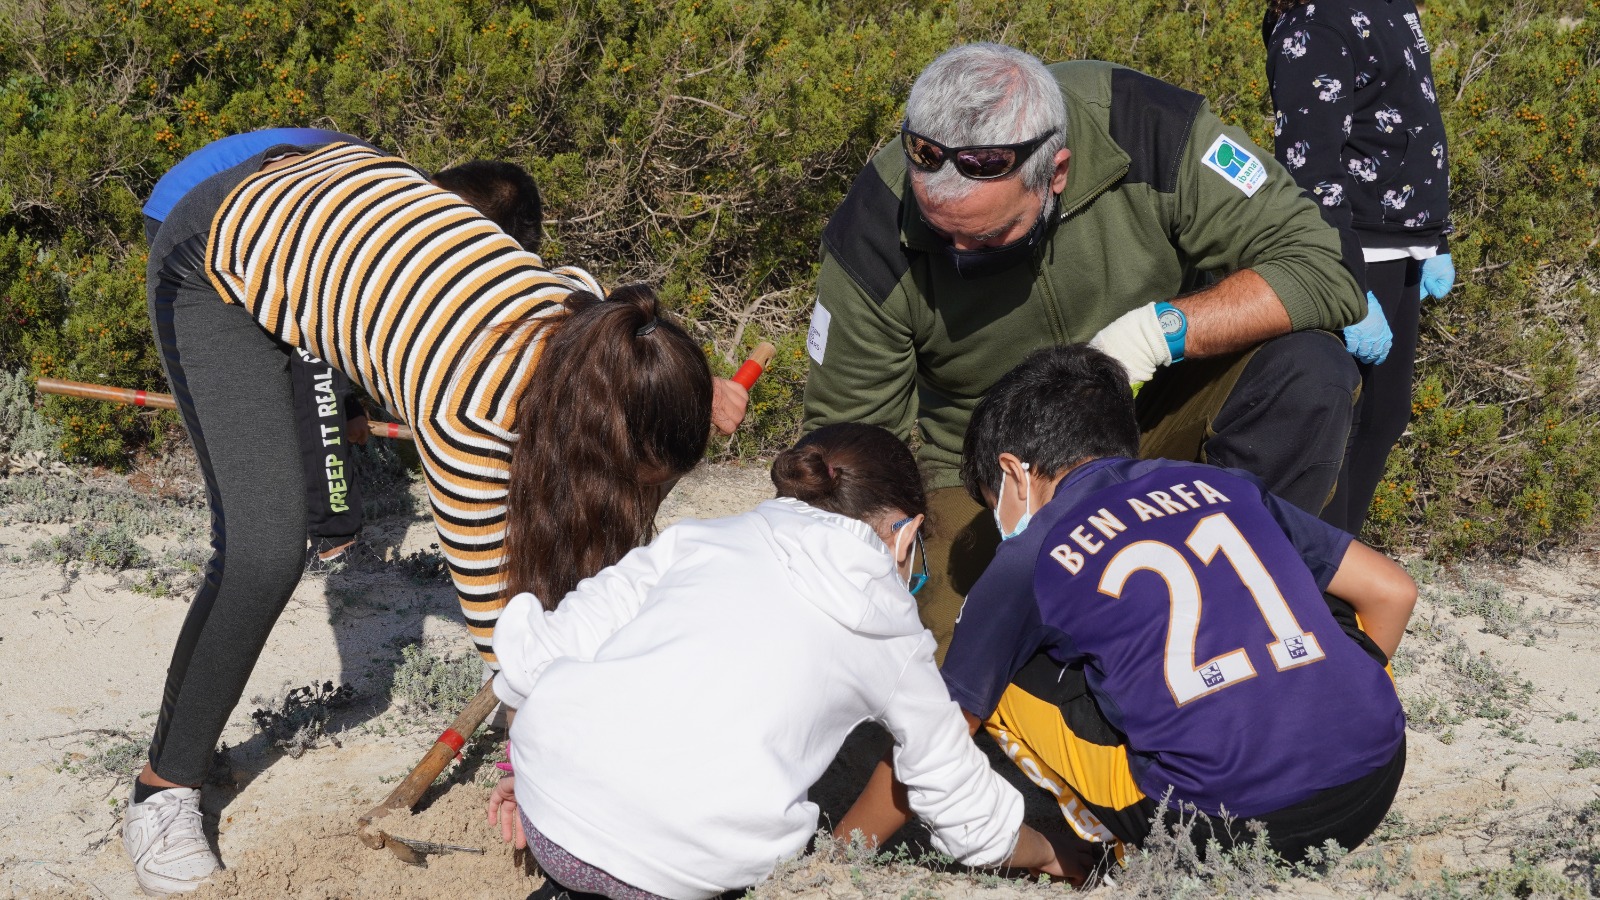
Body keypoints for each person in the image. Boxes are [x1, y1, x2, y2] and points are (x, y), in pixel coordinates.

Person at [125, 138, 731, 894]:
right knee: (267, 548)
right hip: (223, 244)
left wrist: (695, 398)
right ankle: (164, 787)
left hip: (348, 190)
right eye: (641, 483)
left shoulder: (596, 323)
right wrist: (537, 775)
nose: (644, 505)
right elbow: (508, 642)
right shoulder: (470, 416)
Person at [802, 42, 1370, 661]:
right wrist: (882, 551)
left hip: (1150, 419)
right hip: (983, 472)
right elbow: (845, 439)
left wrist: (1149, 337)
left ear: (1059, 173)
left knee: (1308, 369)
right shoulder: (874, 228)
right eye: (942, 235)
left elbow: (1323, 267)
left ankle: (1246, 607)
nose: (959, 254)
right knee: (942, 659)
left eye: (988, 236)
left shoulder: (1146, 126)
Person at [838, 344, 1415, 862]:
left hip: (1217, 825)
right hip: (1375, 775)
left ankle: (1099, 851)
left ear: (1014, 472)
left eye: (994, 502)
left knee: (992, 679)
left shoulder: (1029, 554)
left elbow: (936, 731)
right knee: (1317, 599)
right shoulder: (1227, 487)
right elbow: (1392, 591)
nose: (1000, 521)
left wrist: (841, 853)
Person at [486, 423, 1072, 898]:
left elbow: (545, 645)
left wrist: (523, 765)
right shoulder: (890, 626)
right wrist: (1046, 853)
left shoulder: (701, 536)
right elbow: (955, 797)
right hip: (682, 869)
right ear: (907, 531)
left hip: (549, 810)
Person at [143, 130, 557, 563]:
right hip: (188, 212)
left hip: (239, 194)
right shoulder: (390, 210)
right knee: (299, 363)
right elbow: (319, 341)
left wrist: (352, 406)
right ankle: (328, 537)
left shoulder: (399, 197)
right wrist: (344, 405)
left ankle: (295, 520)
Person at [1264, 0, 1453, 533]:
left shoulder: (1394, 9)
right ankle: (1322, 581)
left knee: (1385, 415)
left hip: (1403, 244)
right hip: (1358, 248)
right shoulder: (1315, 23)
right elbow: (1310, 167)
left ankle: (1344, 564)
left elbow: (1414, 120)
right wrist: (1340, 278)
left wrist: (1434, 237)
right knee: (1338, 425)